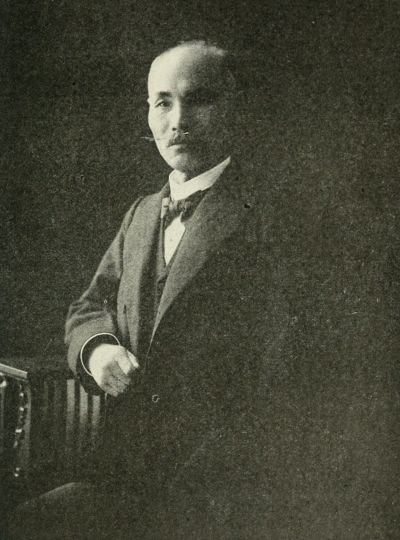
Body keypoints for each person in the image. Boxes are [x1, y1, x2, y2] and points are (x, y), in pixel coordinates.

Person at [8, 40, 400, 539]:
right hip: (125, 474)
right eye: (163, 102)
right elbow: (88, 306)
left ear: (234, 107)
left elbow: (302, 371)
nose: (178, 121)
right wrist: (98, 349)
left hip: (231, 494)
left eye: (199, 100)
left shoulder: (281, 215)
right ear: (148, 114)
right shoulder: (141, 214)